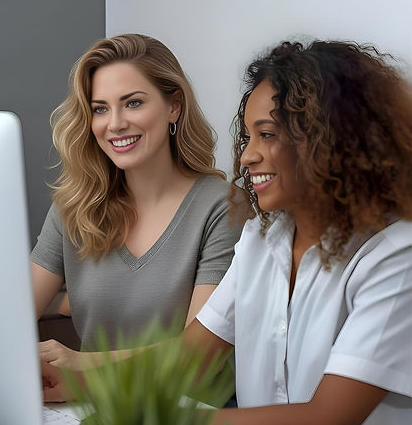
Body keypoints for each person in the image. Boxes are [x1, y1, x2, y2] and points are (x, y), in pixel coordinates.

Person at [42, 39, 411, 423]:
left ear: (332, 139)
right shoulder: (262, 240)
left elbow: (328, 416)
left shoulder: (396, 257)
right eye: (248, 137)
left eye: (267, 134)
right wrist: (79, 384)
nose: (247, 155)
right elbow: (192, 357)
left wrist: (154, 417)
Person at [32, 34, 245, 371]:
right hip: (89, 405)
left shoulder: (222, 207)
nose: (115, 124)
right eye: (100, 109)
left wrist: (85, 365)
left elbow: (199, 354)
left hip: (189, 411)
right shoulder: (73, 206)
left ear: (173, 106)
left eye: (133, 103)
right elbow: (14, 315)